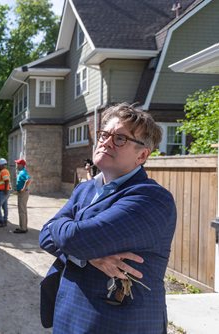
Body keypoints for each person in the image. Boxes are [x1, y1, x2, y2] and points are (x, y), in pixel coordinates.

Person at [39, 103, 177, 333]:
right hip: (69, 316)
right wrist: (88, 256)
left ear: (142, 155)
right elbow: (45, 235)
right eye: (104, 134)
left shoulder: (151, 198)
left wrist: (77, 242)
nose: (106, 141)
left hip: (118, 324)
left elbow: (75, 239)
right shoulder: (85, 189)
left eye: (120, 138)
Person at [14, 158, 32, 233]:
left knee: (22, 211)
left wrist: (24, 188)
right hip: (22, 193)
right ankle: (23, 227)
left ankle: (23, 228)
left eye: (18, 164)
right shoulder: (21, 172)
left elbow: (29, 180)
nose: (17, 165)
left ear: (21, 165)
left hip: (23, 193)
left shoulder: (22, 172)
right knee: (23, 210)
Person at [0, 158, 11, 227]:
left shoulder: (4, 171)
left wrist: (5, 190)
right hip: (4, 191)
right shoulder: (4, 171)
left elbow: (6, 181)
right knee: (4, 206)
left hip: (3, 191)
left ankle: (1, 221)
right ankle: (5, 220)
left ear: (2, 165)